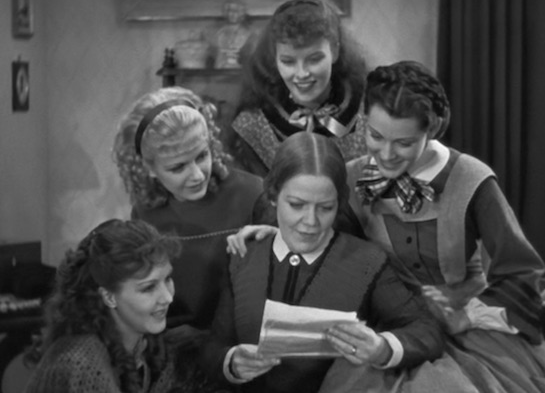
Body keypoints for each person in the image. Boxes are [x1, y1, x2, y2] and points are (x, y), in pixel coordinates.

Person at [228, 61, 545, 392]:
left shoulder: (470, 178)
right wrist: (280, 235)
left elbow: (521, 270)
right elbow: (327, 235)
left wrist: (466, 314)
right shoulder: (352, 177)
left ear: (432, 129)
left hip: (466, 332)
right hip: (390, 329)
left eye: (404, 143)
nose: (385, 154)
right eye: (376, 136)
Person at [203, 132, 444, 393]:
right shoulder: (243, 256)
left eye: (325, 208)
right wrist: (232, 363)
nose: (311, 221)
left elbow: (427, 332)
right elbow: (213, 349)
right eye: (297, 205)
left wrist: (381, 348)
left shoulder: (367, 261)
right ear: (273, 197)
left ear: (339, 204)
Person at [112, 86, 263, 330]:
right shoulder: (144, 214)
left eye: (202, 156)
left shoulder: (253, 195)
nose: (197, 175)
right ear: (148, 168)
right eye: (178, 167)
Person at [22, 219, 221, 393]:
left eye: (167, 279)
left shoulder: (150, 347)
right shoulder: (82, 361)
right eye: (148, 288)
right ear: (109, 297)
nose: (168, 297)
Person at [231, 0, 368, 177]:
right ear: (275, 58)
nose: (302, 73)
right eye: (288, 61)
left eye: (314, 59)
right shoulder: (254, 124)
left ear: (334, 51)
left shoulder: (367, 112)